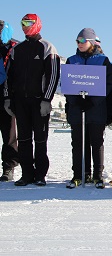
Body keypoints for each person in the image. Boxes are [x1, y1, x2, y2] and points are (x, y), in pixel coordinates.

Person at [3, 14, 60, 186]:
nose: (25, 26)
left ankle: (40, 174)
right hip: (20, 102)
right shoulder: (17, 49)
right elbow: (8, 77)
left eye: (29, 23)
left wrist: (47, 100)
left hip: (39, 102)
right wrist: (8, 99)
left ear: (38, 25)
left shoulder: (47, 47)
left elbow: (53, 76)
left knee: (41, 139)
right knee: (24, 140)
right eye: (23, 23)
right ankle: (27, 174)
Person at [65, 28, 112, 189]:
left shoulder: (103, 61)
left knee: (96, 142)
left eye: (83, 41)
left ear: (92, 42)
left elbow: (110, 86)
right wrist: (76, 101)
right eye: (77, 41)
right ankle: (80, 174)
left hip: (96, 110)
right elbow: (67, 85)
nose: (80, 44)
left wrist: (93, 101)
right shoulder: (72, 60)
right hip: (77, 110)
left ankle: (97, 175)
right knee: (78, 143)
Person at [0, 20, 19, 181]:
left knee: (9, 134)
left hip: (6, 96)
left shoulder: (14, 48)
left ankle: (9, 167)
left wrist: (9, 97)